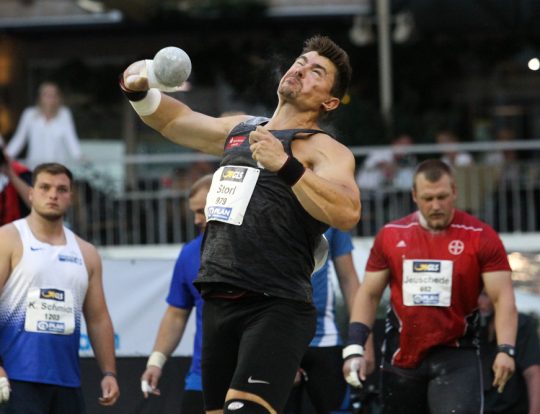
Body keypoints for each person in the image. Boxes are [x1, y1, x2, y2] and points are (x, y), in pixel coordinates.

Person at [120, 34, 361, 414]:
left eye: (317, 72)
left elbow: (347, 212)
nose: (301, 70)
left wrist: (286, 165)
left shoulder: (323, 148)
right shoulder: (242, 129)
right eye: (301, 62)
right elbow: (175, 120)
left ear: (329, 102)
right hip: (219, 303)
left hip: (276, 304)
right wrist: (138, 88)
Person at [342, 159, 518, 414]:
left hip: (457, 354)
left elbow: (503, 298)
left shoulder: (481, 236)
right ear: (414, 196)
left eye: (442, 197)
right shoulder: (391, 235)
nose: (436, 205)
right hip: (401, 355)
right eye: (428, 198)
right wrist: (354, 346)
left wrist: (506, 349)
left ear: (454, 192)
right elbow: (368, 294)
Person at [0, 162, 119, 413]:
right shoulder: (5, 240)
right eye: (45, 187)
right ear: (30, 193)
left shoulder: (87, 252)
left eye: (62, 189)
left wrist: (109, 373)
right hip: (13, 378)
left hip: (67, 381)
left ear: (70, 197)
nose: (53, 195)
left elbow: (98, 318)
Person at [140, 174, 213, 414]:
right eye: (194, 212)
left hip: (252, 374)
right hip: (203, 376)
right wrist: (156, 361)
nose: (197, 220)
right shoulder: (190, 253)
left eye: (202, 211)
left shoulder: (258, 248)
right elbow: (176, 314)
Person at [283, 228, 367, 414]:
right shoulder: (267, 212)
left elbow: (349, 279)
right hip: (278, 336)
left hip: (325, 337)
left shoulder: (331, 213)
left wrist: (363, 342)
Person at [478, 290, 540, 414]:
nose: (480, 301)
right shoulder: (470, 326)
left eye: (485, 295)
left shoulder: (521, 324)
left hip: (511, 407)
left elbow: (533, 373)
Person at [6, 81, 82, 170]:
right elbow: (19, 139)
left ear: (58, 97)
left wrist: (79, 156)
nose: (50, 98)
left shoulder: (64, 114)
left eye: (53, 95)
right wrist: (6, 155)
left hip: (58, 167)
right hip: (36, 167)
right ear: (40, 97)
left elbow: (71, 138)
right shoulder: (29, 114)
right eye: (46, 95)